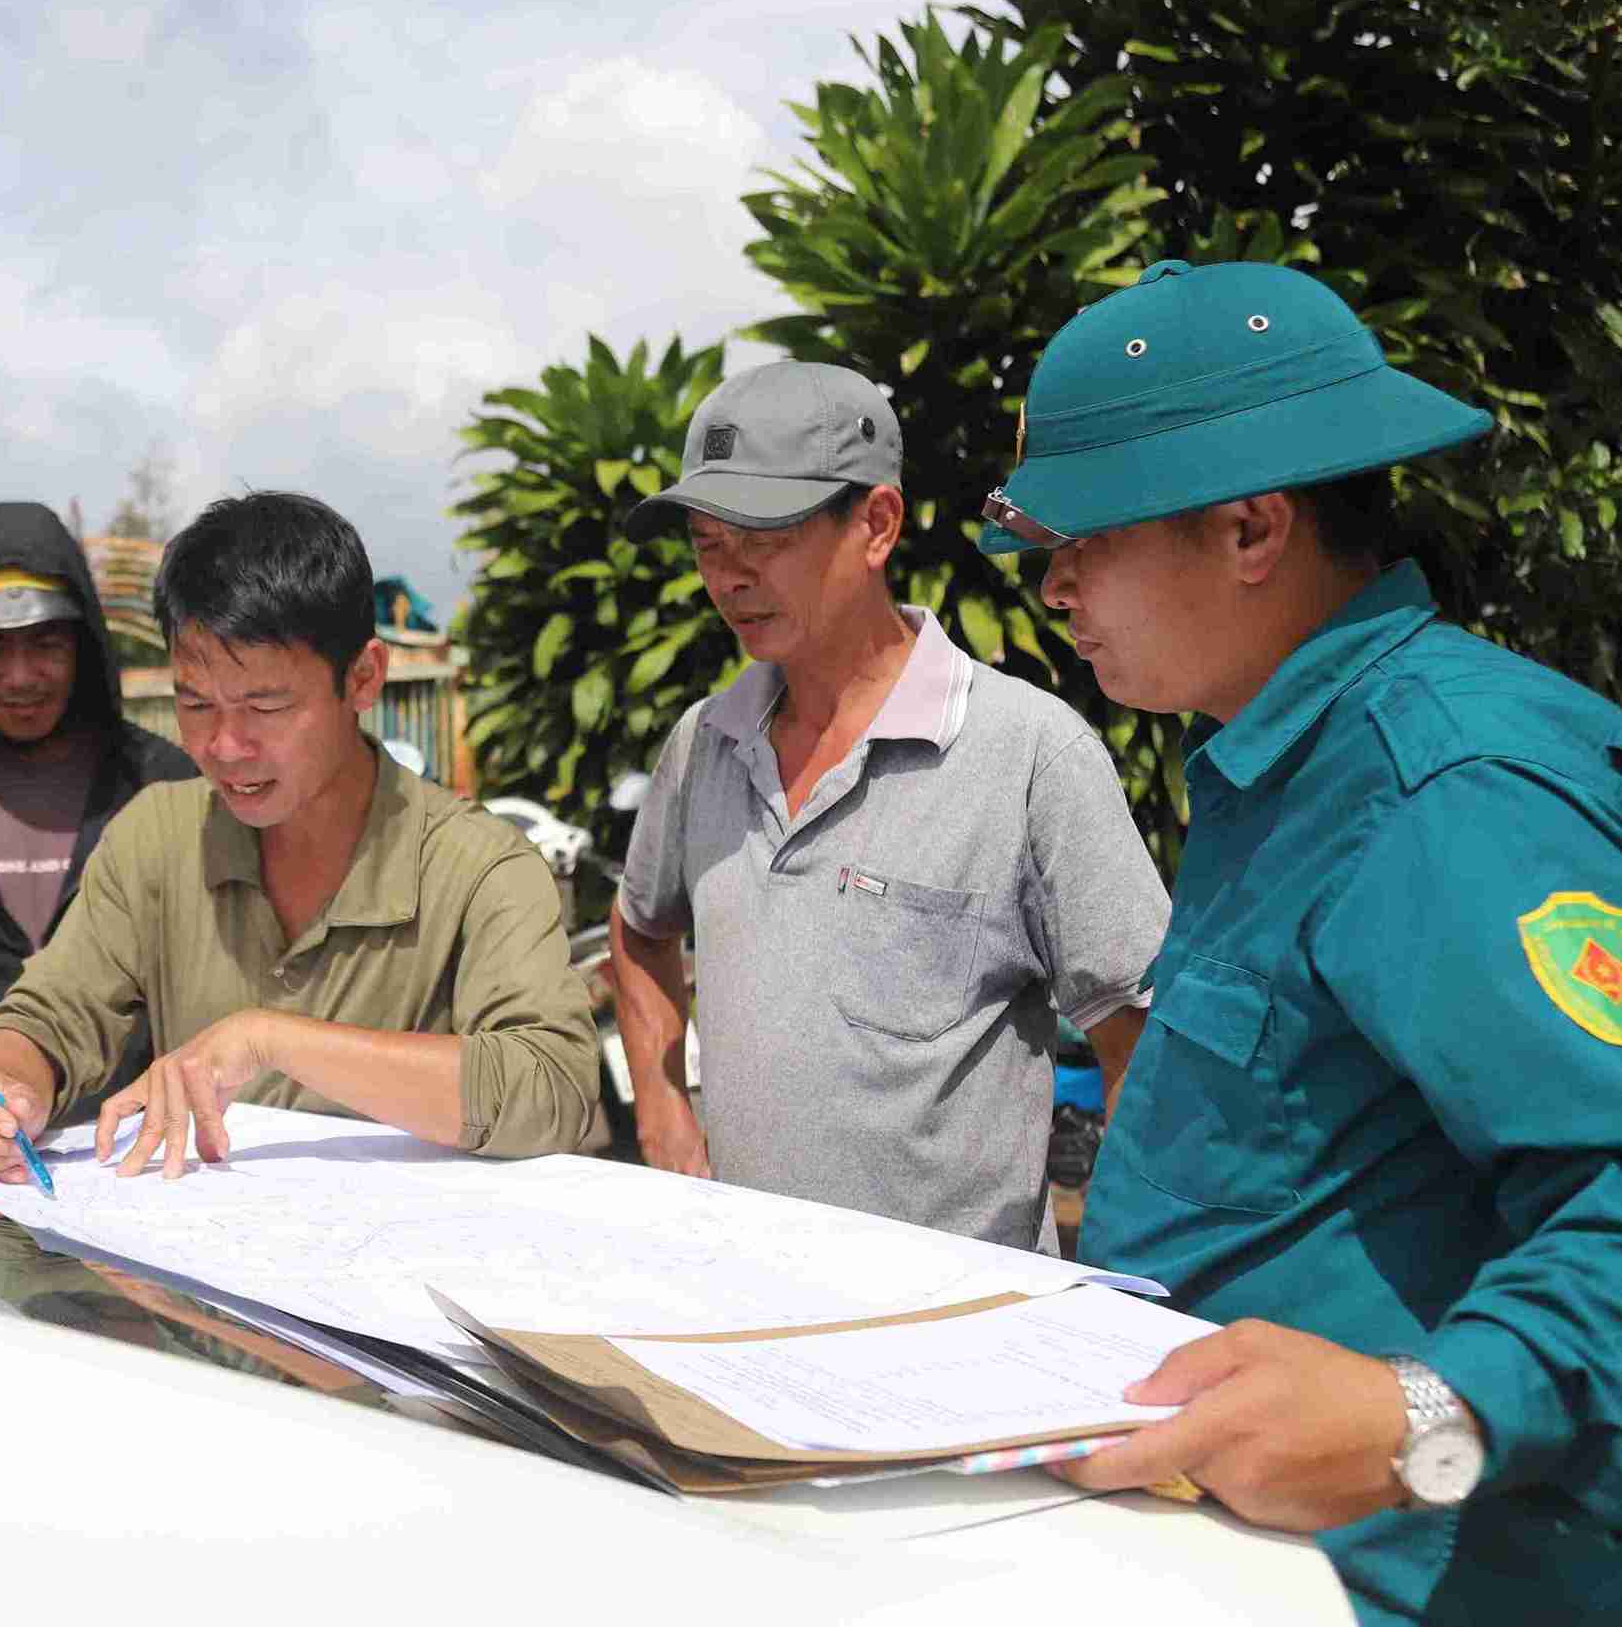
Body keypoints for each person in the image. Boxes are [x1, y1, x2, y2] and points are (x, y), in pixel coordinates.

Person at [981, 258, 1622, 1623]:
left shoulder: (1445, 789)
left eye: (1083, 543)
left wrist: (1421, 1412)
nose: (1060, 590)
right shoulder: (1276, 772)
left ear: (1252, 529)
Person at [604, 360, 1167, 1253]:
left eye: (762, 536)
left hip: (960, 1352)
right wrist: (664, 1113)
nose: (728, 577)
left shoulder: (1027, 753)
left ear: (875, 523)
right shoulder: (703, 746)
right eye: (708, 543)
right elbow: (639, 927)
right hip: (741, 1316)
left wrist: (1109, 1297)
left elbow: (1146, 1052)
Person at [0, 491, 600, 1182]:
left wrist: (273, 1039)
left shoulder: (481, 868)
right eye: (194, 703)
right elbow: (48, 1014)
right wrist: (0, 1088)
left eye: (267, 706)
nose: (224, 745)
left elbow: (551, 1084)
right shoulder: (156, 839)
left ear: (364, 677)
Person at [0, 501, 196, 1122]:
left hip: (129, 1153)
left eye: (46, 645)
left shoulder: (163, 784)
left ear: (85, 645)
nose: (20, 676)